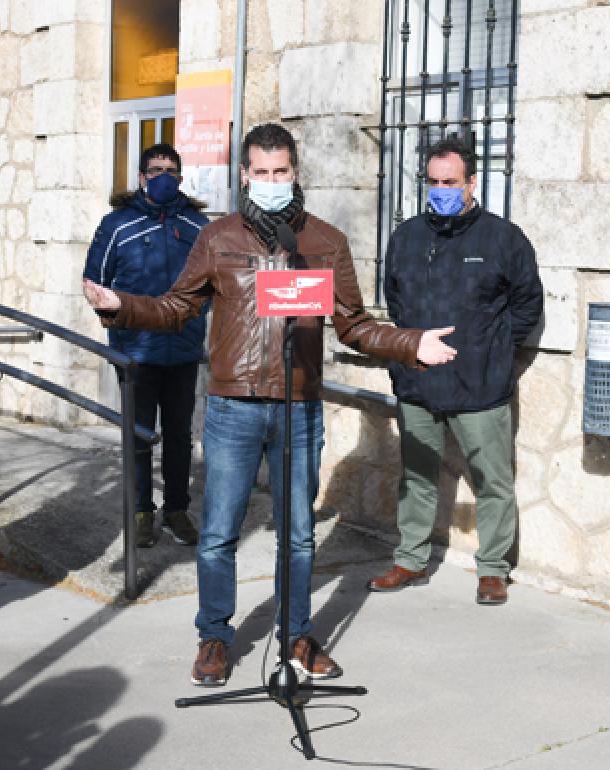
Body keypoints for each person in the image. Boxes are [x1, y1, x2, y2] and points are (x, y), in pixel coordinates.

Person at [83, 123, 458, 687]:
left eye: (281, 172)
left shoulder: (325, 242)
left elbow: (354, 326)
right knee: (217, 534)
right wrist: (122, 305)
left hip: (299, 407)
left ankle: (298, 637)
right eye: (261, 173)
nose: (271, 182)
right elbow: (177, 307)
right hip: (235, 406)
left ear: (295, 173)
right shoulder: (218, 239)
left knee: (300, 536)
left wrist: (412, 343)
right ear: (244, 175)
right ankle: (214, 636)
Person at [367, 136, 543, 605]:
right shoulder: (406, 237)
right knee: (417, 476)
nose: (441, 189)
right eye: (434, 181)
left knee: (493, 481)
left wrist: (495, 350)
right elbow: (396, 299)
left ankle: (493, 569)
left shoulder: (503, 238)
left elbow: (528, 304)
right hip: (418, 381)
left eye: (451, 181)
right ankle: (410, 558)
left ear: (472, 183)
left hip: (480, 385)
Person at [83, 143, 208, 548]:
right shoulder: (118, 225)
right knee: (138, 435)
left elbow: (211, 282)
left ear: (181, 178)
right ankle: (140, 511)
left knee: (178, 435)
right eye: (156, 170)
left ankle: (176, 509)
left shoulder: (197, 226)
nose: (164, 176)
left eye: (171, 170)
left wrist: (195, 314)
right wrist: (118, 325)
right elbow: (94, 284)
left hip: (184, 349)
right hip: (136, 353)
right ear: (141, 177)